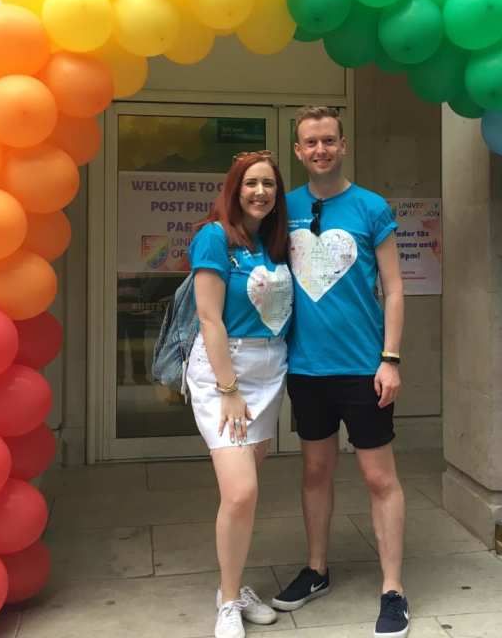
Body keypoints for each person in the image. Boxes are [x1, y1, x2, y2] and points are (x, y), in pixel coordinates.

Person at [272, 106, 409, 638]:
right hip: (306, 368)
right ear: (299, 151)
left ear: (343, 144)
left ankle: (392, 588)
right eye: (310, 142)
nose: (320, 149)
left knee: (380, 477)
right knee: (315, 472)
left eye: (328, 140)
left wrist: (390, 357)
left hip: (363, 368)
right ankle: (316, 570)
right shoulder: (282, 209)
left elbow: (395, 287)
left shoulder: (372, 207)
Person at [186, 151, 293, 638]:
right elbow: (210, 318)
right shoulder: (214, 237)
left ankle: (234, 584)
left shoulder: (273, 243)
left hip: (270, 370)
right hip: (223, 371)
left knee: (246, 497)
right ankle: (228, 602)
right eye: (251, 183)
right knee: (241, 491)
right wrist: (228, 389)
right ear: (234, 188)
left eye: (268, 184)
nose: (260, 192)